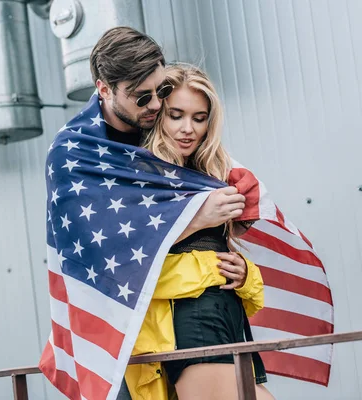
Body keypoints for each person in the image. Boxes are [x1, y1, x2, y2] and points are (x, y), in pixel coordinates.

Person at [90, 30, 272, 399]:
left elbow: (216, 253)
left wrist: (243, 273)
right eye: (176, 115)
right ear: (158, 113)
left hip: (226, 317)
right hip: (186, 321)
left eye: (199, 117)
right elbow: (128, 266)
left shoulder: (213, 176)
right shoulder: (140, 177)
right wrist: (207, 263)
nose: (188, 128)